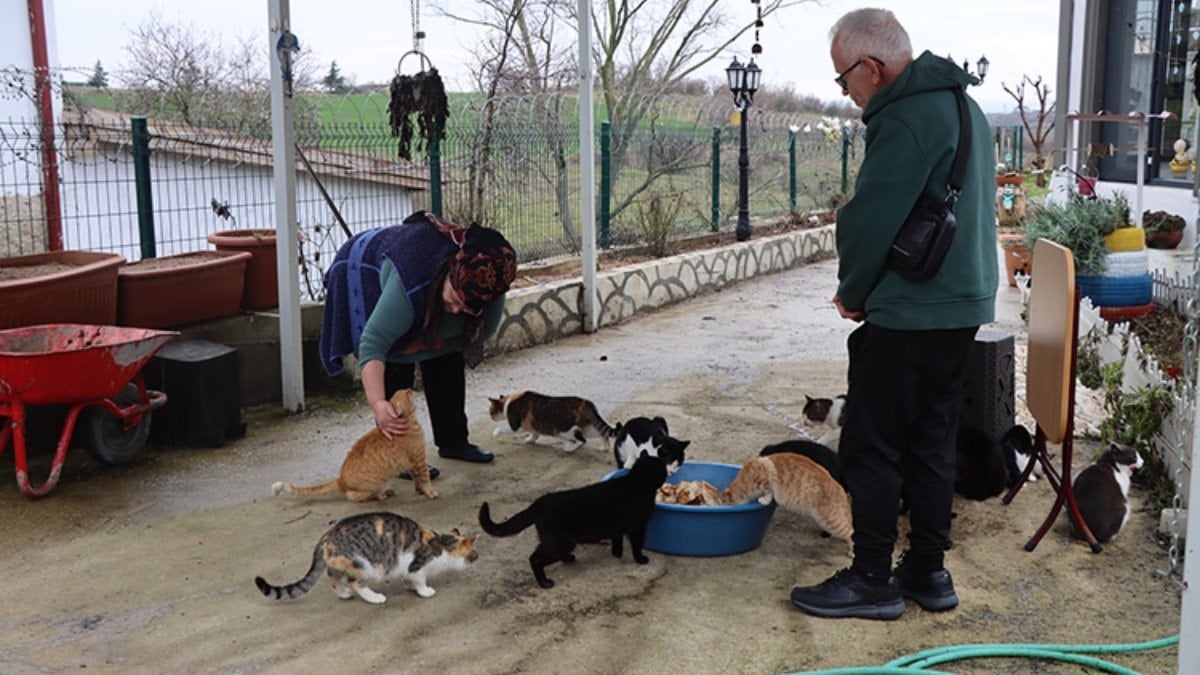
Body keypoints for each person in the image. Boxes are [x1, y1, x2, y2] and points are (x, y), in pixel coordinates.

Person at [789, 8, 997, 620]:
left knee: (871, 444)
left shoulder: (905, 115)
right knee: (931, 440)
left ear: (872, 67)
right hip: (961, 305)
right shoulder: (964, 106)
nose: (847, 93)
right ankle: (929, 572)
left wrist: (853, 290)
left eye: (843, 79)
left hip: (912, 307)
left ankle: (872, 577)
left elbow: (868, 219)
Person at [319, 210, 518, 469]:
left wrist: (432, 344)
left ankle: (454, 442)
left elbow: (478, 335)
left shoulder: (488, 284)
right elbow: (373, 344)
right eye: (456, 300)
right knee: (394, 361)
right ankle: (400, 458)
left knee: (447, 362)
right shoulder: (410, 284)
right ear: (449, 274)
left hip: (418, 272)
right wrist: (379, 404)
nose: (458, 310)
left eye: (468, 309)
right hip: (364, 263)